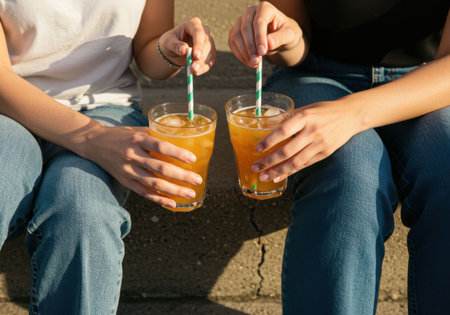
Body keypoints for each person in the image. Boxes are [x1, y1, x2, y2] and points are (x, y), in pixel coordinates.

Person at [229, 1, 449, 314]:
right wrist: (286, 38)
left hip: (427, 82)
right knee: (349, 174)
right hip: (315, 75)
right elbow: (294, 46)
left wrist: (353, 113)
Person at [0, 0, 215, 313]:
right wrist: (91, 137)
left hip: (107, 109)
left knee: (84, 209)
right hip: (10, 111)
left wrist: (167, 50)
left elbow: (147, 51)